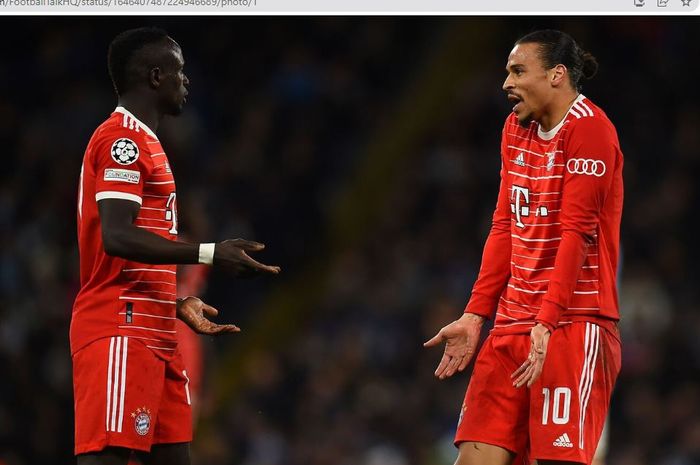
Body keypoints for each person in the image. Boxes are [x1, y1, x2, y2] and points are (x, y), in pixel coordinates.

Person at [71, 27, 280, 465]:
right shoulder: (121, 141)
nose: (186, 81)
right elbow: (117, 235)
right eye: (179, 72)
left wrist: (174, 300)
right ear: (154, 77)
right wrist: (208, 252)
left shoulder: (149, 143)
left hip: (157, 331)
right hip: (119, 330)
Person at [424, 30, 623, 465]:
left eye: (517, 71)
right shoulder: (516, 127)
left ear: (557, 75)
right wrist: (476, 315)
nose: (506, 83)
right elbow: (504, 225)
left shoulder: (592, 131)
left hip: (572, 325)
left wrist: (547, 321)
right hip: (512, 325)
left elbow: (576, 234)